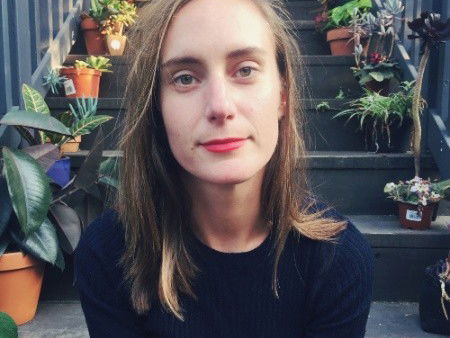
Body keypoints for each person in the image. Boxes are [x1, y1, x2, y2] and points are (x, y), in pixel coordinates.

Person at [74, 0, 374, 337]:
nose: (220, 106)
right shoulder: (110, 254)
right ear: (156, 105)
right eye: (185, 78)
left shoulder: (337, 261)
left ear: (283, 94)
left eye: (245, 70)